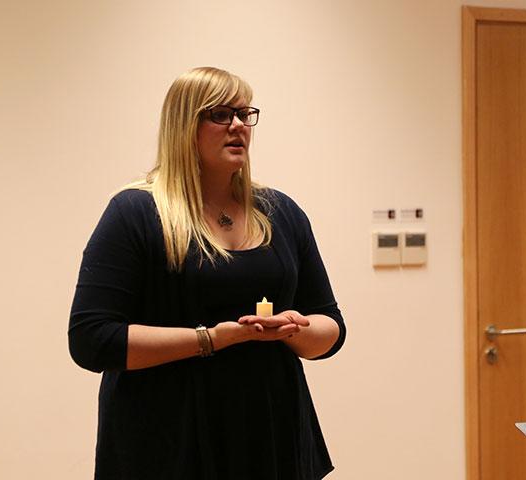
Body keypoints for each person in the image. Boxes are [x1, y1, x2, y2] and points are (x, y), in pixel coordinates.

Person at [68, 66, 346, 480]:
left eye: (244, 113)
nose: (237, 125)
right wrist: (213, 339)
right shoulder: (136, 213)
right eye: (219, 114)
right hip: (168, 438)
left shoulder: (281, 213)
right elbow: (91, 340)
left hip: (270, 434)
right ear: (184, 125)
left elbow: (331, 329)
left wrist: (294, 330)